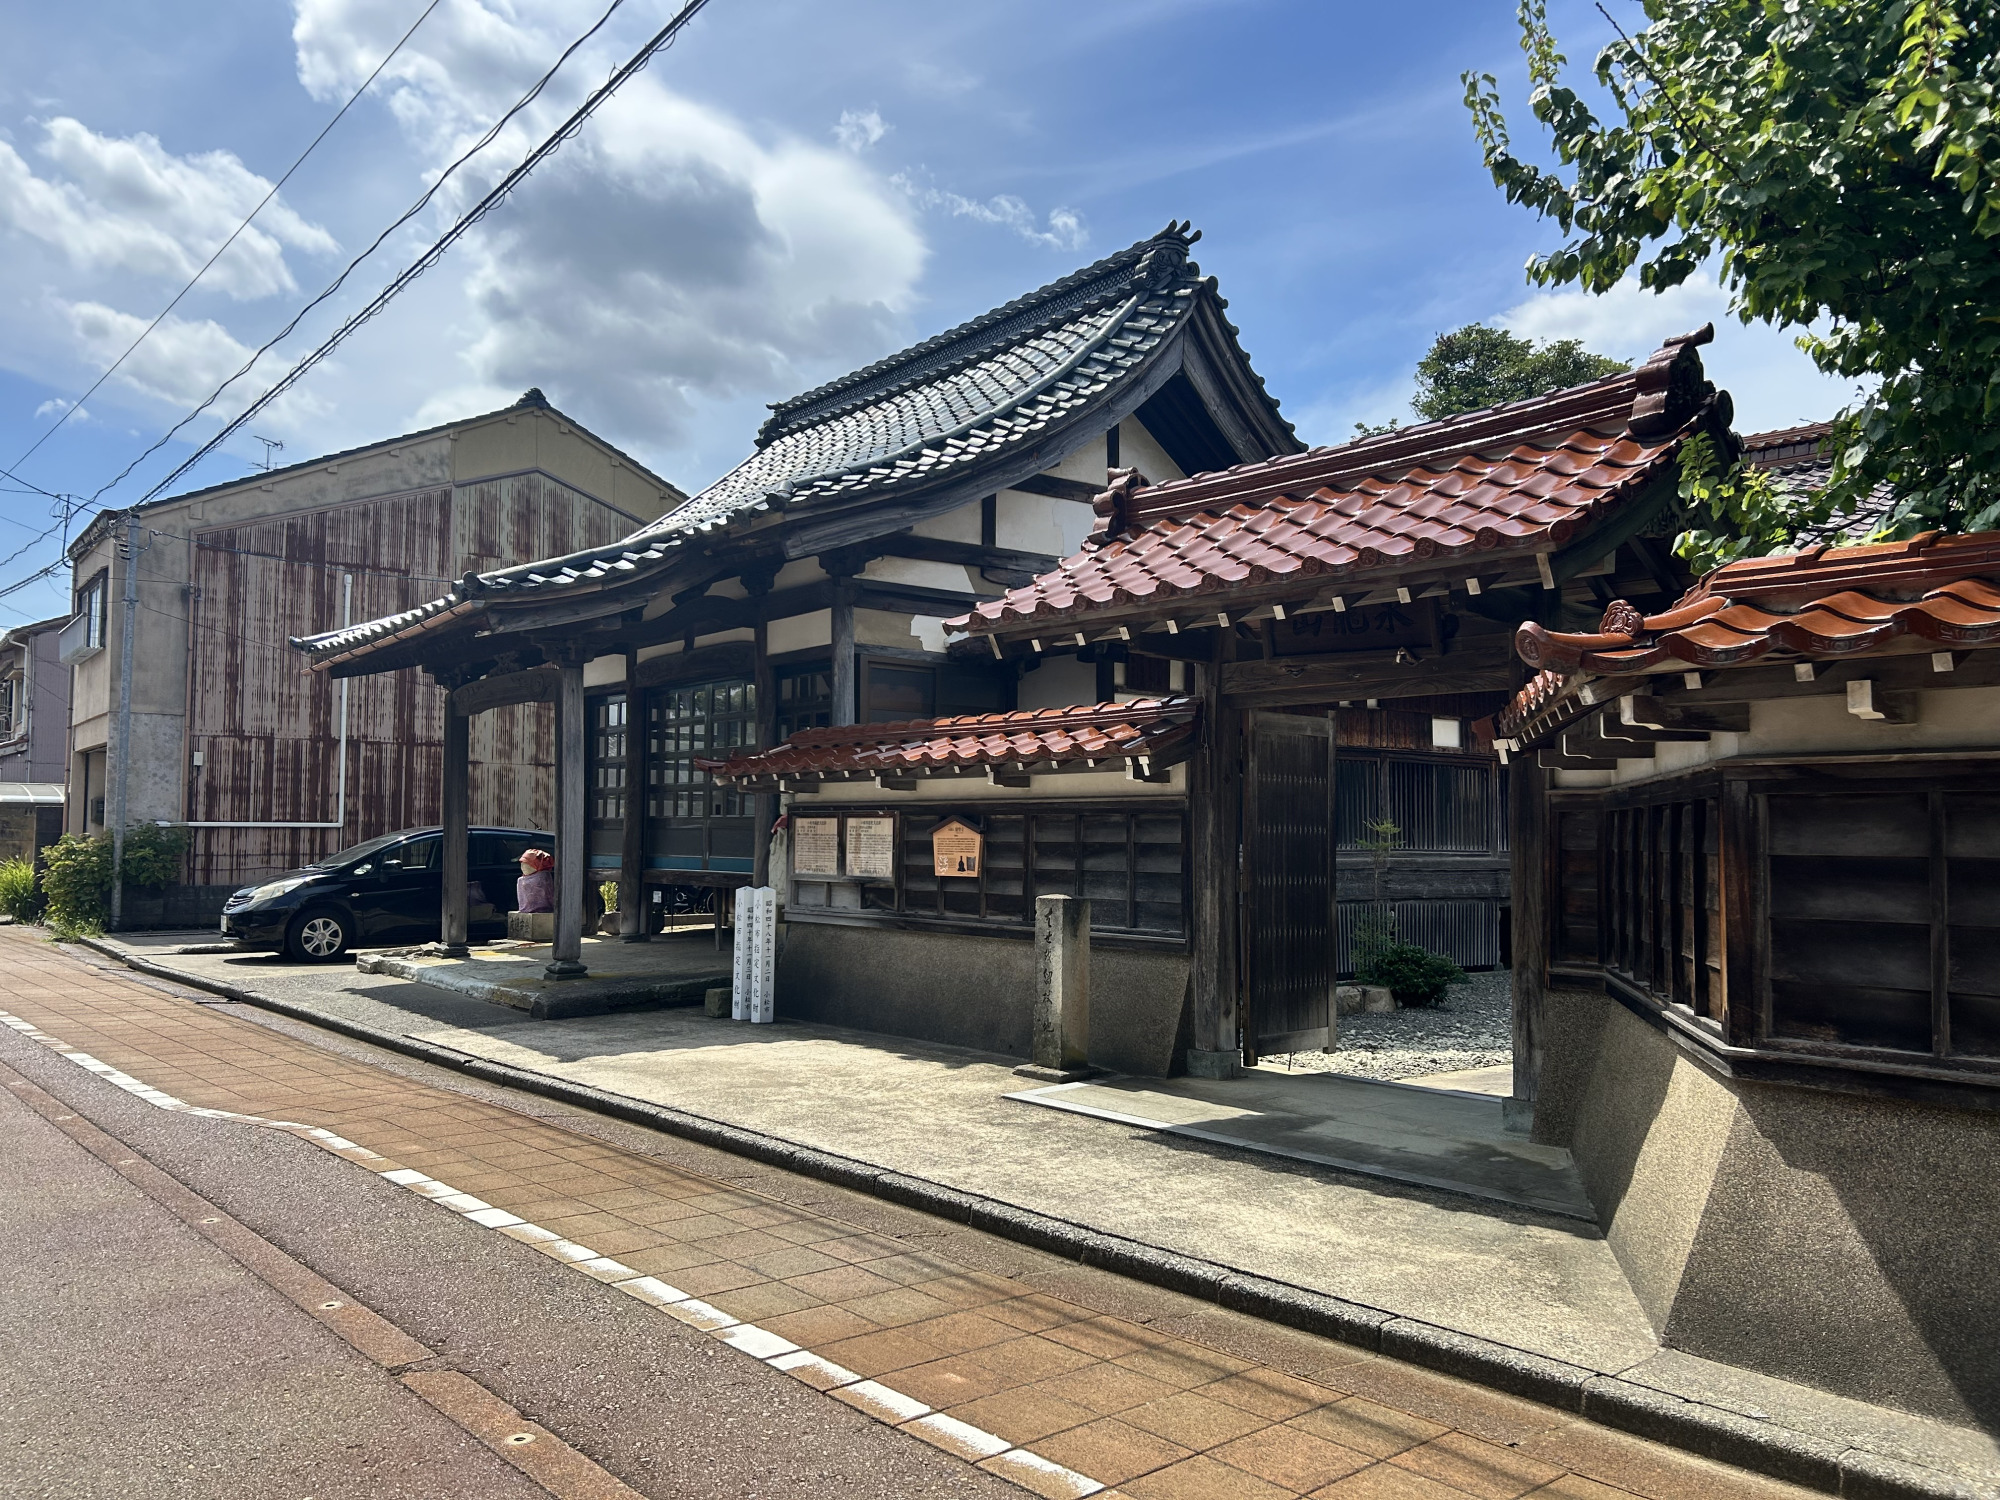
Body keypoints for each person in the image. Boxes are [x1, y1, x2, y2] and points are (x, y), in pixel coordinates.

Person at [516, 849, 554, 914]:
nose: (523, 867)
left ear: (538, 866)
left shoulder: (542, 878)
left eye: (528, 865)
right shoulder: (521, 880)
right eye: (522, 864)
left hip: (543, 911)